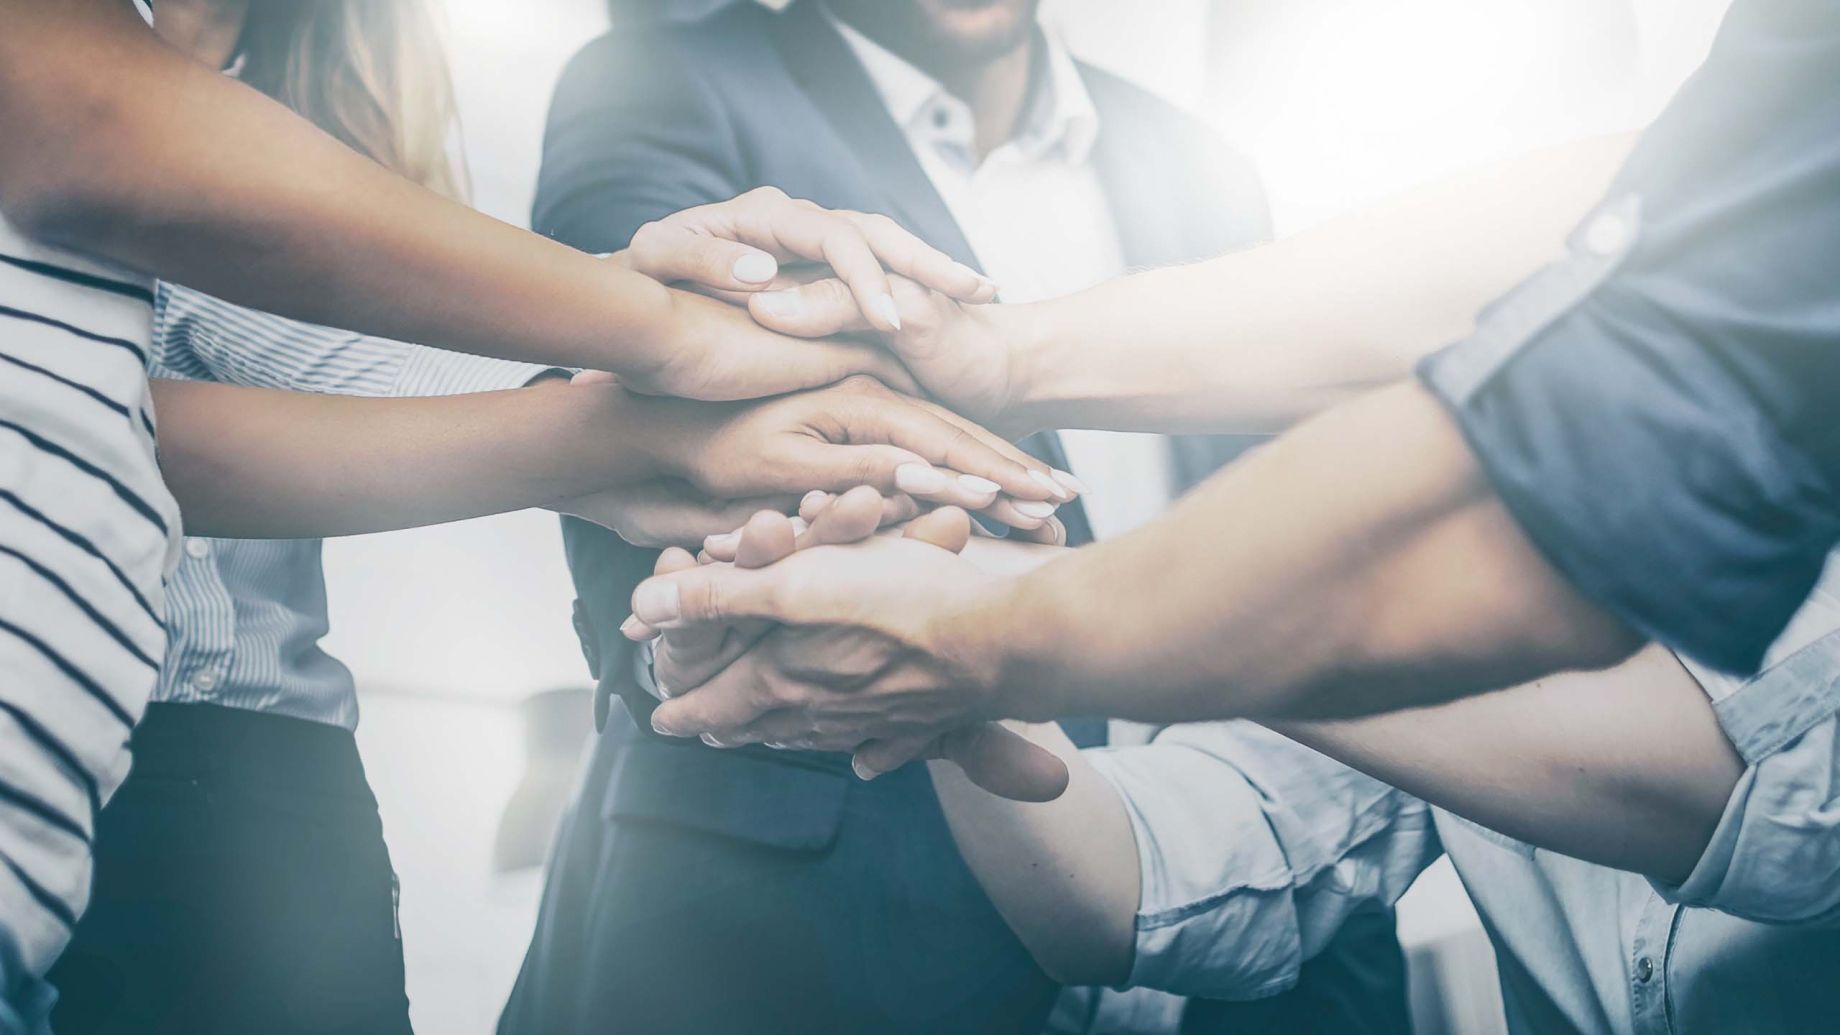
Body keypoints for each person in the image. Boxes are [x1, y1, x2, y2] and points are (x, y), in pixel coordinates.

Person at [0, 0, 1054, 1026]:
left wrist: (630, 401)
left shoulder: (327, 94)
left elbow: (134, 413)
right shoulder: (96, 95)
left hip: (231, 772)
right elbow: (94, 137)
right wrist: (661, 343)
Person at [625, 0, 1840, 774]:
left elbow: (1573, 472)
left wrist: (1003, 624)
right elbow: (1630, 232)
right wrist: (1005, 357)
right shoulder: (676, 76)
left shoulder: (1193, 154)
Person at [501, 1, 1405, 1031]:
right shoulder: (663, 77)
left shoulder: (1203, 162)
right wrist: (688, 625)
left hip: (1256, 915)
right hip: (831, 922)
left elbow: (1309, 490)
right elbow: (638, 401)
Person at [663, 491, 1840, 1034]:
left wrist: (1026, 616)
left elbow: (1743, 795)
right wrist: (962, 695)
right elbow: (1152, 889)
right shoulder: (1500, 527)